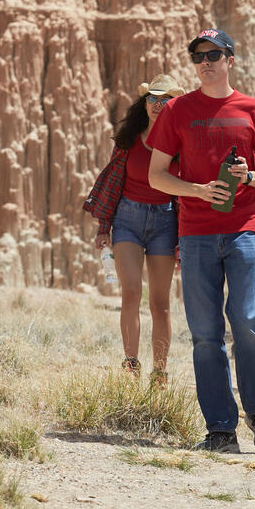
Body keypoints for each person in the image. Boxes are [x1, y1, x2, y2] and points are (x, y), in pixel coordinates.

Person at [147, 28, 255, 454]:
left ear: (231, 59)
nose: (204, 61)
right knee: (205, 333)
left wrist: (249, 176)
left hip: (243, 229)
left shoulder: (254, 110)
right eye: (197, 55)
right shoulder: (177, 110)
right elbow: (157, 175)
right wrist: (197, 190)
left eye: (213, 54)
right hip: (195, 234)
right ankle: (220, 428)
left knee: (247, 321)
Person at [86, 74, 184, 385]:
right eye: (153, 98)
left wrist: (183, 238)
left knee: (161, 303)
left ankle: (160, 372)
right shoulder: (129, 139)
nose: (158, 104)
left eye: (165, 99)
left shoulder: (180, 144)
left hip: (165, 222)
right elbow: (113, 184)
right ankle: (131, 364)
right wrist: (104, 227)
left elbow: (184, 195)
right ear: (144, 104)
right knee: (130, 292)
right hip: (127, 218)